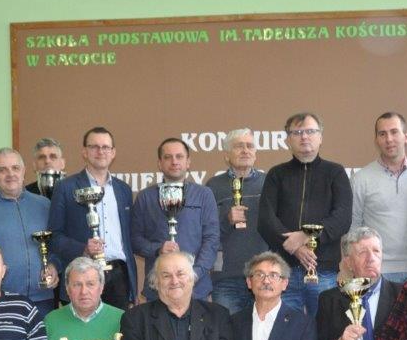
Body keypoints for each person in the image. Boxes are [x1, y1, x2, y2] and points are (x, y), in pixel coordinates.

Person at [258, 112, 352, 316]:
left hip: (324, 273)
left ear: (321, 137)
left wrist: (305, 236)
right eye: (297, 132)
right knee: (285, 331)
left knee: (325, 329)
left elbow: (342, 218)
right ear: (288, 140)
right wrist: (294, 248)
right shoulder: (276, 174)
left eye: (310, 131)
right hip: (283, 273)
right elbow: (266, 220)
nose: (304, 137)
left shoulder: (335, 172)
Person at [0, 148, 59, 317]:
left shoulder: (44, 205)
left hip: (42, 300)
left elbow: (57, 245)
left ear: (24, 171)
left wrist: (54, 265)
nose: (10, 174)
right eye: (2, 170)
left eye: (15, 168)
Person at [49, 126, 136, 309]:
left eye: (105, 147)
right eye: (94, 146)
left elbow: (128, 239)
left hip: (118, 276)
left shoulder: (123, 190)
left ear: (113, 153)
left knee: (118, 327)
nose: (100, 151)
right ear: (84, 152)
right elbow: (54, 236)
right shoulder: (65, 187)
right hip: (82, 275)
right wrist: (83, 248)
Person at [131, 138, 219, 301]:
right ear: (159, 163)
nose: (174, 161)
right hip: (157, 289)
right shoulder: (145, 197)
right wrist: (157, 249)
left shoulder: (204, 195)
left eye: (179, 156)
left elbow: (211, 239)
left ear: (188, 162)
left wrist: (194, 274)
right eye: (168, 157)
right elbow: (135, 240)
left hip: (196, 288)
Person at [350, 112, 407, 284]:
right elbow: (353, 227)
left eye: (394, 132)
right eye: (382, 134)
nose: (389, 139)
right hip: (378, 270)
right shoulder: (361, 179)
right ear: (376, 140)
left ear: (406, 136)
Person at [206, 128, 268, 314]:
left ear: (255, 153)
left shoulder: (268, 183)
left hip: (263, 275)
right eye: (239, 146)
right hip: (227, 278)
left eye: (249, 146)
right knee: (227, 330)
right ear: (226, 155)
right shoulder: (213, 186)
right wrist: (227, 220)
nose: (245, 150)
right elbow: (206, 233)